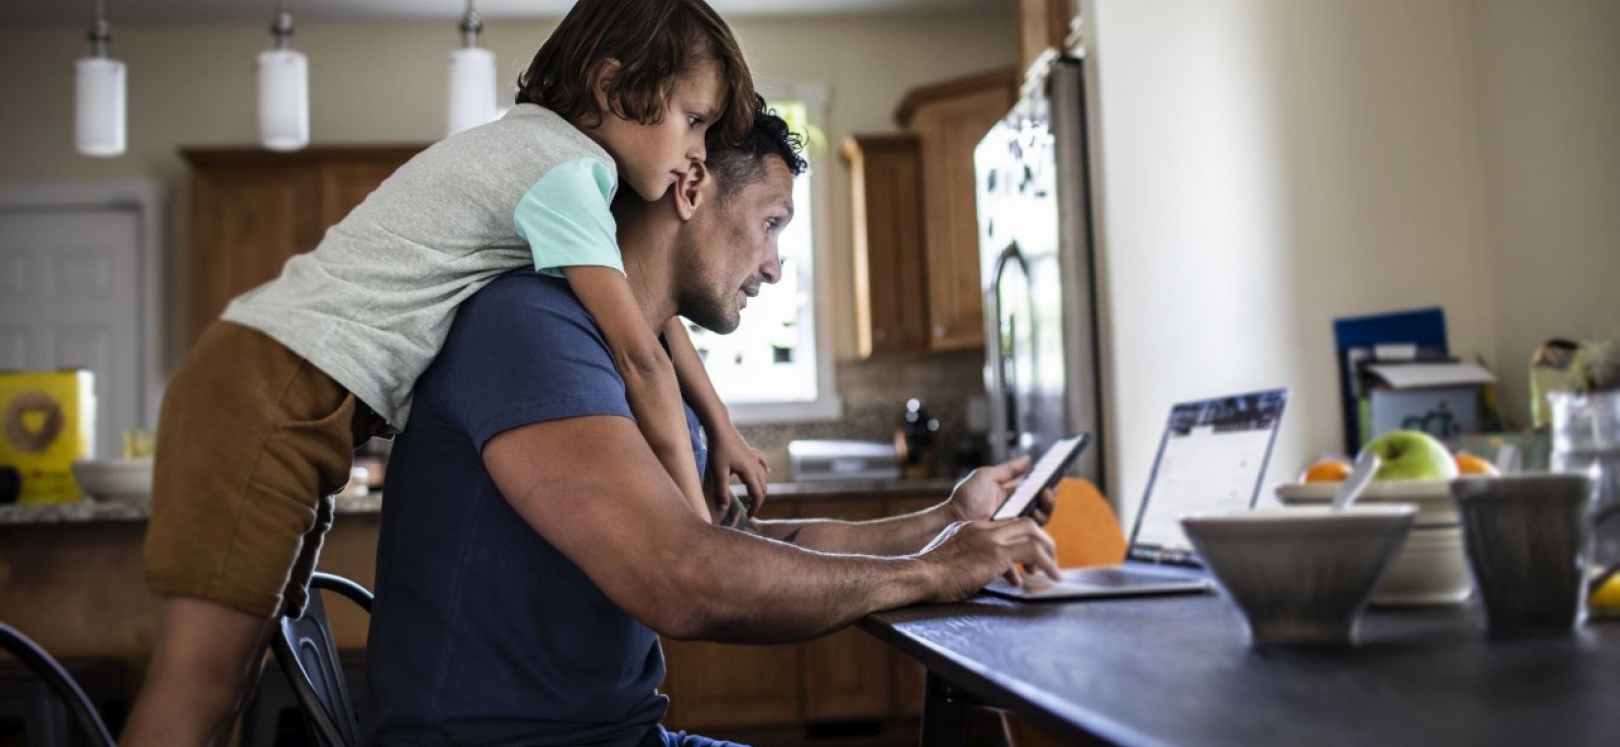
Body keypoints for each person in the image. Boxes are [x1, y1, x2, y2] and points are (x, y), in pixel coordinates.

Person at [121, 2, 769, 745]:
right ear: (614, 86)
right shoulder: (566, 172)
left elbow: (646, 317)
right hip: (269, 389)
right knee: (199, 682)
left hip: (281, 391)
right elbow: (638, 355)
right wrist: (690, 538)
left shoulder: (542, 155)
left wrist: (719, 426)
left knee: (225, 680)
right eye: (693, 120)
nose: (697, 152)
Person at [362, 103, 1061, 747]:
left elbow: (734, 546)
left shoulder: (649, 350)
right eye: (771, 223)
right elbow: (685, 576)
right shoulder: (529, 326)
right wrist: (929, 571)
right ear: (690, 188)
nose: (774, 267)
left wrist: (946, 523)